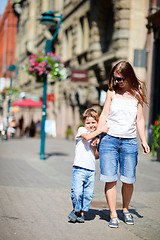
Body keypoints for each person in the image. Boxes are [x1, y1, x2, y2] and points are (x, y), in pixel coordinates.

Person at [97, 61, 150, 228]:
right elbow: (104, 114)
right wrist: (96, 134)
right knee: (110, 179)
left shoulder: (137, 93)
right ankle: (113, 214)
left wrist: (143, 140)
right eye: (115, 78)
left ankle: (125, 210)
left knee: (128, 180)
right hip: (109, 140)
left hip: (129, 142)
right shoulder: (112, 92)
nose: (117, 82)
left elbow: (140, 119)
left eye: (120, 78)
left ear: (129, 76)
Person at [68, 108, 109, 223]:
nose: (91, 125)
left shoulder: (97, 138)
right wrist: (101, 130)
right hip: (79, 168)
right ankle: (75, 210)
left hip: (91, 170)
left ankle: (81, 212)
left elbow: (96, 156)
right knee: (77, 192)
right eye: (88, 123)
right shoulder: (81, 130)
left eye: (93, 122)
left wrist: (94, 146)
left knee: (88, 194)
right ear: (84, 123)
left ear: (97, 122)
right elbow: (86, 137)